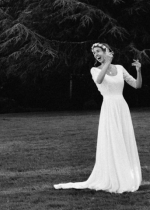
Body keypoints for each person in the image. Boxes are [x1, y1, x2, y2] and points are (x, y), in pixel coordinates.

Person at [54, 43, 144, 193]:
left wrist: (139, 71)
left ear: (107, 51)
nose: (96, 54)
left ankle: (127, 176)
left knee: (124, 139)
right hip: (109, 107)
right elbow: (99, 81)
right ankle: (114, 177)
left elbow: (137, 85)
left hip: (121, 107)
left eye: (98, 51)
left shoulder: (120, 68)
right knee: (113, 140)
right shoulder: (95, 70)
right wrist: (107, 62)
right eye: (94, 53)